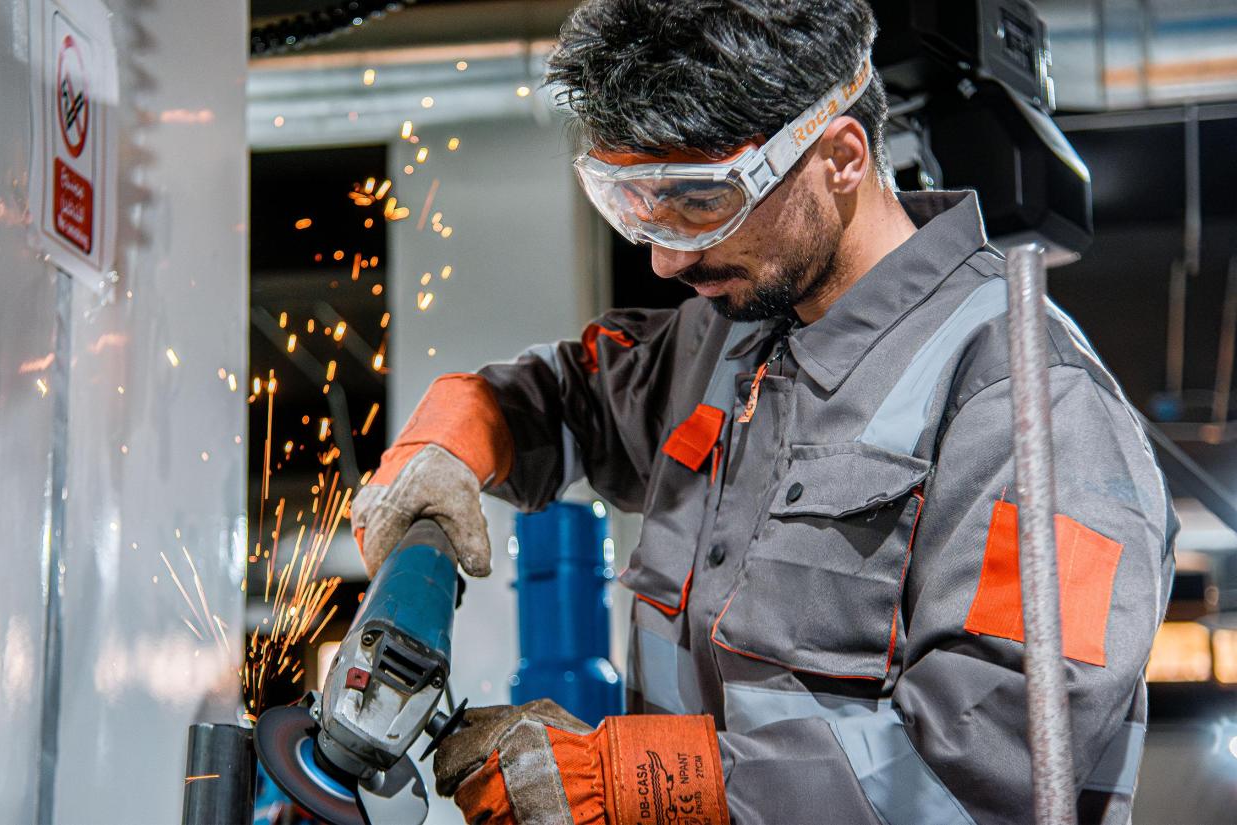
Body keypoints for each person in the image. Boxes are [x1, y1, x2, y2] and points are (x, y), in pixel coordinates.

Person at [351, 1, 1175, 822]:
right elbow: (572, 400)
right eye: (634, 204)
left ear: (841, 158)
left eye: (700, 200)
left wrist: (635, 786)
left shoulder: (1035, 405)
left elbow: (1002, 751)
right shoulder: (726, 341)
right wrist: (455, 438)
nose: (668, 256)